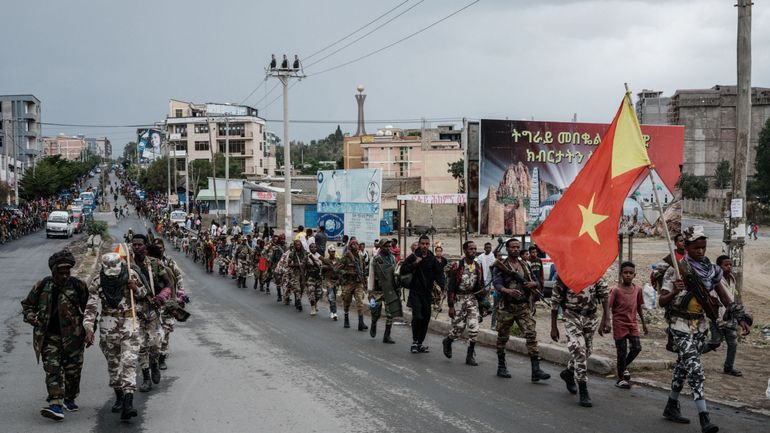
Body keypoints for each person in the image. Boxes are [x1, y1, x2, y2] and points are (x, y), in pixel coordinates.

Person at [659, 226, 751, 432]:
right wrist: (674, 291)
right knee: (695, 370)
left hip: (700, 326)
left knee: (683, 367)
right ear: (687, 246)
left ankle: (671, 406)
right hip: (679, 324)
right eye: (696, 247)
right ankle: (704, 418)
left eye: (703, 247)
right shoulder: (676, 268)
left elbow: (725, 297)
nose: (700, 251)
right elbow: (661, 301)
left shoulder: (712, 270)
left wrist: (740, 317)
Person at [21, 250, 89, 421]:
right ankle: (56, 404)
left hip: (74, 338)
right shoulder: (43, 285)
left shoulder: (78, 286)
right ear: (53, 271)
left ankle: (69, 398)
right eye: (61, 272)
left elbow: (90, 310)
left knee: (73, 373)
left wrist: (89, 330)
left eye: (68, 272)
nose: (65, 275)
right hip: (49, 338)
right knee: (53, 371)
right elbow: (27, 305)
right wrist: (30, 316)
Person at [83, 253, 146, 420]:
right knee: (113, 364)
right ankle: (119, 395)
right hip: (108, 323)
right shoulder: (98, 281)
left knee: (129, 361)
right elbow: (90, 307)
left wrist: (136, 288)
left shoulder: (131, 275)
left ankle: (128, 402)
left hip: (128, 321)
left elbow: (144, 293)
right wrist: (88, 328)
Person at [492, 238, 550, 382]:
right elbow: (497, 284)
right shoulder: (501, 265)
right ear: (507, 248)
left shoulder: (525, 265)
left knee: (531, 334)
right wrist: (508, 291)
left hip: (523, 307)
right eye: (512, 247)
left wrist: (533, 284)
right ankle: (501, 366)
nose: (516, 249)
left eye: (518, 247)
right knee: (502, 337)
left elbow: (536, 280)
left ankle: (536, 370)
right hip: (507, 307)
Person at [550, 277, 610, 408]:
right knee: (579, 350)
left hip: (591, 317)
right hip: (572, 316)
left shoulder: (594, 272)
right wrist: (553, 327)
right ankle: (583, 389)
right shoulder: (565, 273)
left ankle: (569, 373)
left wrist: (607, 319)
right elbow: (555, 302)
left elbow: (605, 296)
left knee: (587, 351)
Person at [131, 234, 173, 393]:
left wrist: (161, 297)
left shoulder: (155, 264)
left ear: (145, 247)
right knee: (141, 345)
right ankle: (146, 377)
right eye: (134, 245)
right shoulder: (128, 266)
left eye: (139, 245)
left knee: (155, 344)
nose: (136, 247)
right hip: (135, 312)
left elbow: (168, 284)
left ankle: (154, 364)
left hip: (152, 310)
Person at [399, 235, 446, 353]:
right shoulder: (413, 256)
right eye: (422, 244)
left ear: (429, 245)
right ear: (419, 244)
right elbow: (403, 270)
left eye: (426, 244)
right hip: (415, 292)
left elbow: (438, 273)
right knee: (418, 316)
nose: (424, 246)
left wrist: (444, 286)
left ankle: (420, 343)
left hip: (427, 293)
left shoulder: (432, 258)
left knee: (426, 318)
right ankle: (414, 341)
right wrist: (415, 263)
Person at [442, 241, 485, 366]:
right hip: (459, 299)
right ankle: (448, 341)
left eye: (475, 249)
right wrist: (450, 306)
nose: (474, 251)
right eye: (471, 249)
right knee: (459, 328)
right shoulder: (457, 266)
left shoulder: (477, 266)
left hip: (471, 299)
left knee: (474, 327)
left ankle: (470, 355)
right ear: (465, 251)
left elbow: (480, 285)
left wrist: (483, 303)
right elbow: (451, 287)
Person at [609, 261, 647, 389]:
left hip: (632, 324)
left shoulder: (637, 290)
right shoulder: (615, 290)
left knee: (636, 348)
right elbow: (608, 307)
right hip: (619, 324)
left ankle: (623, 366)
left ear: (634, 275)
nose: (628, 275)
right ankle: (620, 379)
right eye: (625, 273)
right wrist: (606, 322)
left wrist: (644, 323)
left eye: (630, 273)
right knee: (622, 351)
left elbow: (639, 307)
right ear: (621, 274)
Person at [702, 255, 741, 376]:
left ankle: (728, 367)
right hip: (717, 316)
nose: (729, 267)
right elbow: (714, 299)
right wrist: (716, 317)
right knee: (715, 342)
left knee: (733, 343)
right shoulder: (714, 280)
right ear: (719, 267)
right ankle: (689, 355)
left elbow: (731, 298)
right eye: (726, 265)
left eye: (730, 265)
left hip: (729, 316)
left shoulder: (732, 279)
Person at [152, 238, 188, 371]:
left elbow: (178, 278)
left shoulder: (169, 263)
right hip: (154, 302)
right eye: (155, 248)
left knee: (166, 330)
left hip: (168, 301)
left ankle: (161, 357)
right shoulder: (148, 263)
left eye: (160, 248)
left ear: (163, 249)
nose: (158, 250)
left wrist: (180, 296)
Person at [367, 240, 401, 343]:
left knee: (390, 314)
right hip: (377, 290)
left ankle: (387, 335)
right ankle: (373, 323)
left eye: (389, 246)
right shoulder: (375, 259)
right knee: (375, 312)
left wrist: (397, 288)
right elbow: (371, 275)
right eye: (385, 246)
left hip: (389, 290)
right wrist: (370, 291)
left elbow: (395, 274)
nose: (388, 248)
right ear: (381, 247)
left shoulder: (392, 258)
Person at [336, 238, 368, 330]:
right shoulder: (346, 256)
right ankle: (346, 319)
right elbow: (337, 269)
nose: (356, 245)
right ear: (350, 246)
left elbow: (363, 271)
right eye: (354, 244)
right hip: (348, 283)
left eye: (357, 244)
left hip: (358, 283)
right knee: (347, 302)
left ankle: (361, 323)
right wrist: (348, 272)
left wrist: (365, 282)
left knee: (360, 302)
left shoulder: (360, 257)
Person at [285, 239, 308, 311]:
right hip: (295, 272)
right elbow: (288, 264)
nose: (298, 246)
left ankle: (297, 299)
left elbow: (308, 262)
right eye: (297, 245)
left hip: (303, 273)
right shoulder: (292, 253)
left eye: (299, 245)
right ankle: (299, 302)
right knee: (297, 287)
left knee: (301, 288)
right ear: (294, 246)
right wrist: (297, 265)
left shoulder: (305, 253)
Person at [321, 245, 340, 321]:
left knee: (333, 297)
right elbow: (322, 271)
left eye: (334, 251)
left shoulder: (338, 260)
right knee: (331, 297)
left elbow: (340, 269)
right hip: (329, 281)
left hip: (336, 281)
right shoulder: (326, 260)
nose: (333, 253)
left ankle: (332, 311)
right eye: (332, 251)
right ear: (328, 252)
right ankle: (335, 313)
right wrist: (326, 267)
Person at [305, 243, 324, 316]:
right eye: (312, 247)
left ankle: (315, 303)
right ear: (309, 248)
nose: (314, 248)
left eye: (315, 247)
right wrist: (304, 279)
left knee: (319, 294)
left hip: (318, 278)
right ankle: (312, 307)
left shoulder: (319, 256)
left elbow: (323, 264)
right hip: (310, 277)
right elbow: (303, 267)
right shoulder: (307, 256)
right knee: (311, 292)